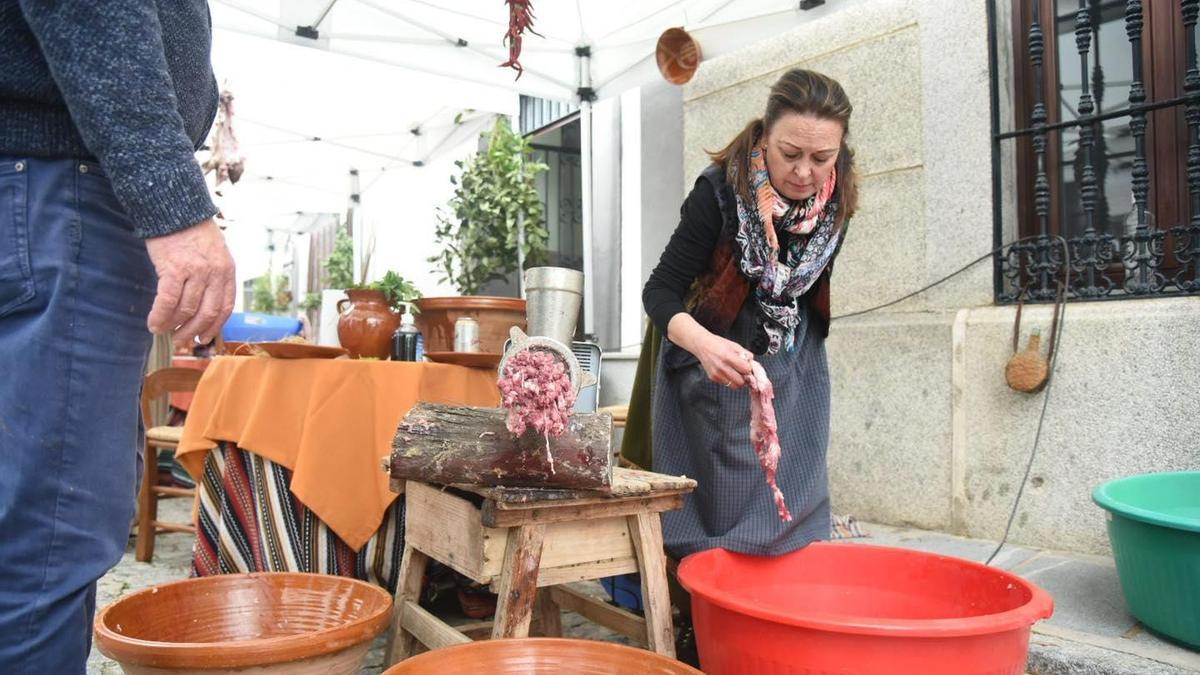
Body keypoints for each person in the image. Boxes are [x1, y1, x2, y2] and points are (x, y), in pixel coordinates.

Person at [0, 2, 236, 671]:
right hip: (60, 184)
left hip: (40, 185)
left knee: (31, 526)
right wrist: (174, 203)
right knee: (48, 535)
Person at [640, 68, 858, 657]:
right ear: (764, 136)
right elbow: (658, 293)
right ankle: (706, 633)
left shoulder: (835, 199)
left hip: (794, 362)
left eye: (821, 156)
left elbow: (807, 286)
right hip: (711, 358)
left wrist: (790, 355)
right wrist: (707, 347)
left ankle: (780, 626)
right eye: (790, 153)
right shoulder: (717, 193)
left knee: (797, 497)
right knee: (719, 512)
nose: (804, 172)